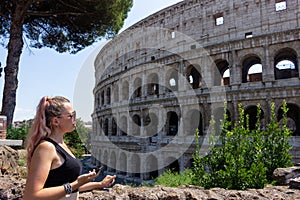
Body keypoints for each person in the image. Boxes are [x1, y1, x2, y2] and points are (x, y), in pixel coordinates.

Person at [23, 96, 116, 200]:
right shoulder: (46, 148)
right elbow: (31, 196)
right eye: (71, 115)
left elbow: (63, 187)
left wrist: (99, 184)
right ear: (56, 121)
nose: (75, 119)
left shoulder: (61, 145)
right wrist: (77, 183)